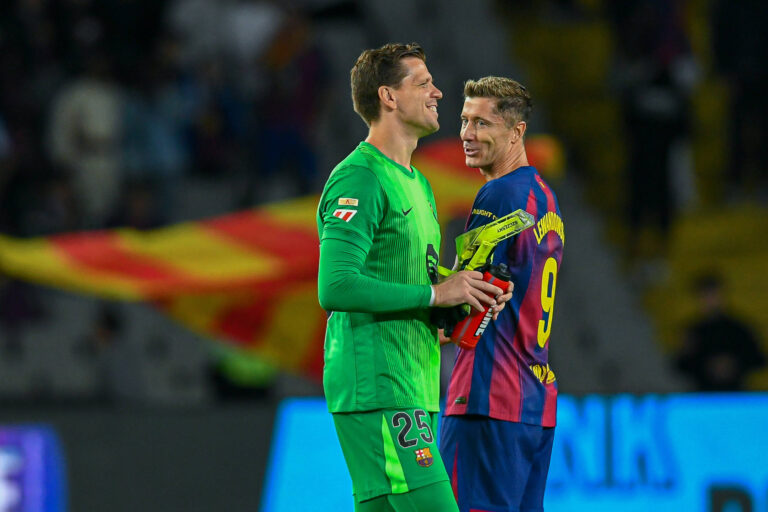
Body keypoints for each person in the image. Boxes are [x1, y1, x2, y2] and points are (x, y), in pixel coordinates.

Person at [316, 43, 508, 512]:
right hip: (378, 386)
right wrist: (437, 291)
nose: (438, 92)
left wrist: (462, 295)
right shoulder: (359, 178)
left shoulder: (417, 183)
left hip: (411, 382)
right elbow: (335, 286)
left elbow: (409, 278)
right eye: (423, 83)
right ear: (388, 97)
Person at [440, 77, 565, 512]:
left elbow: (460, 312)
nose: (466, 134)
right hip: (535, 403)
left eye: (481, 123)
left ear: (516, 132)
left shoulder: (499, 194)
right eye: (463, 121)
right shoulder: (545, 200)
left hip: (486, 401)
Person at [675, 272, 765, 391]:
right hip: (703, 397)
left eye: (713, 294)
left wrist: (733, 364)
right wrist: (702, 363)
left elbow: (759, 360)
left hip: (736, 396)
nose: (710, 300)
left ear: (722, 295)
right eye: (705, 295)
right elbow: (680, 366)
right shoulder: (692, 331)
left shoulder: (739, 328)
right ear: (698, 298)